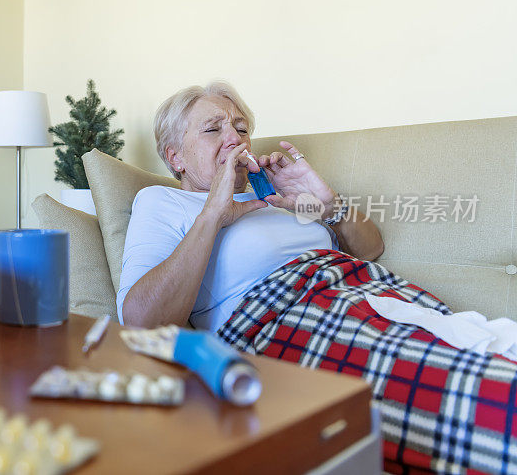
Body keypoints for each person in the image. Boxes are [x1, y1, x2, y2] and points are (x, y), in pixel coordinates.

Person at [117, 81, 517, 473]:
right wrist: (212, 215)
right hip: (287, 324)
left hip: (370, 297)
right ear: (175, 157)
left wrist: (328, 206)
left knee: (493, 358)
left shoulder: (274, 194)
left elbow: (369, 249)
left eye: (241, 128)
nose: (235, 139)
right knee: (494, 400)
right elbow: (141, 321)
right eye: (213, 129)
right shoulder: (164, 201)